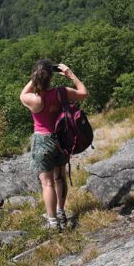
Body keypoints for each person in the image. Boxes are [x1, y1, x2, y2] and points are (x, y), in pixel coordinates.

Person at [19, 59, 88, 230]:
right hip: (61, 139)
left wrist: (37, 76)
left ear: (35, 77)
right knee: (60, 178)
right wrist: (70, 74)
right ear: (51, 77)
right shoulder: (62, 92)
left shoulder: (33, 99)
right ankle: (61, 211)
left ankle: (52, 222)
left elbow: (22, 94)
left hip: (42, 141)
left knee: (47, 183)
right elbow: (84, 93)